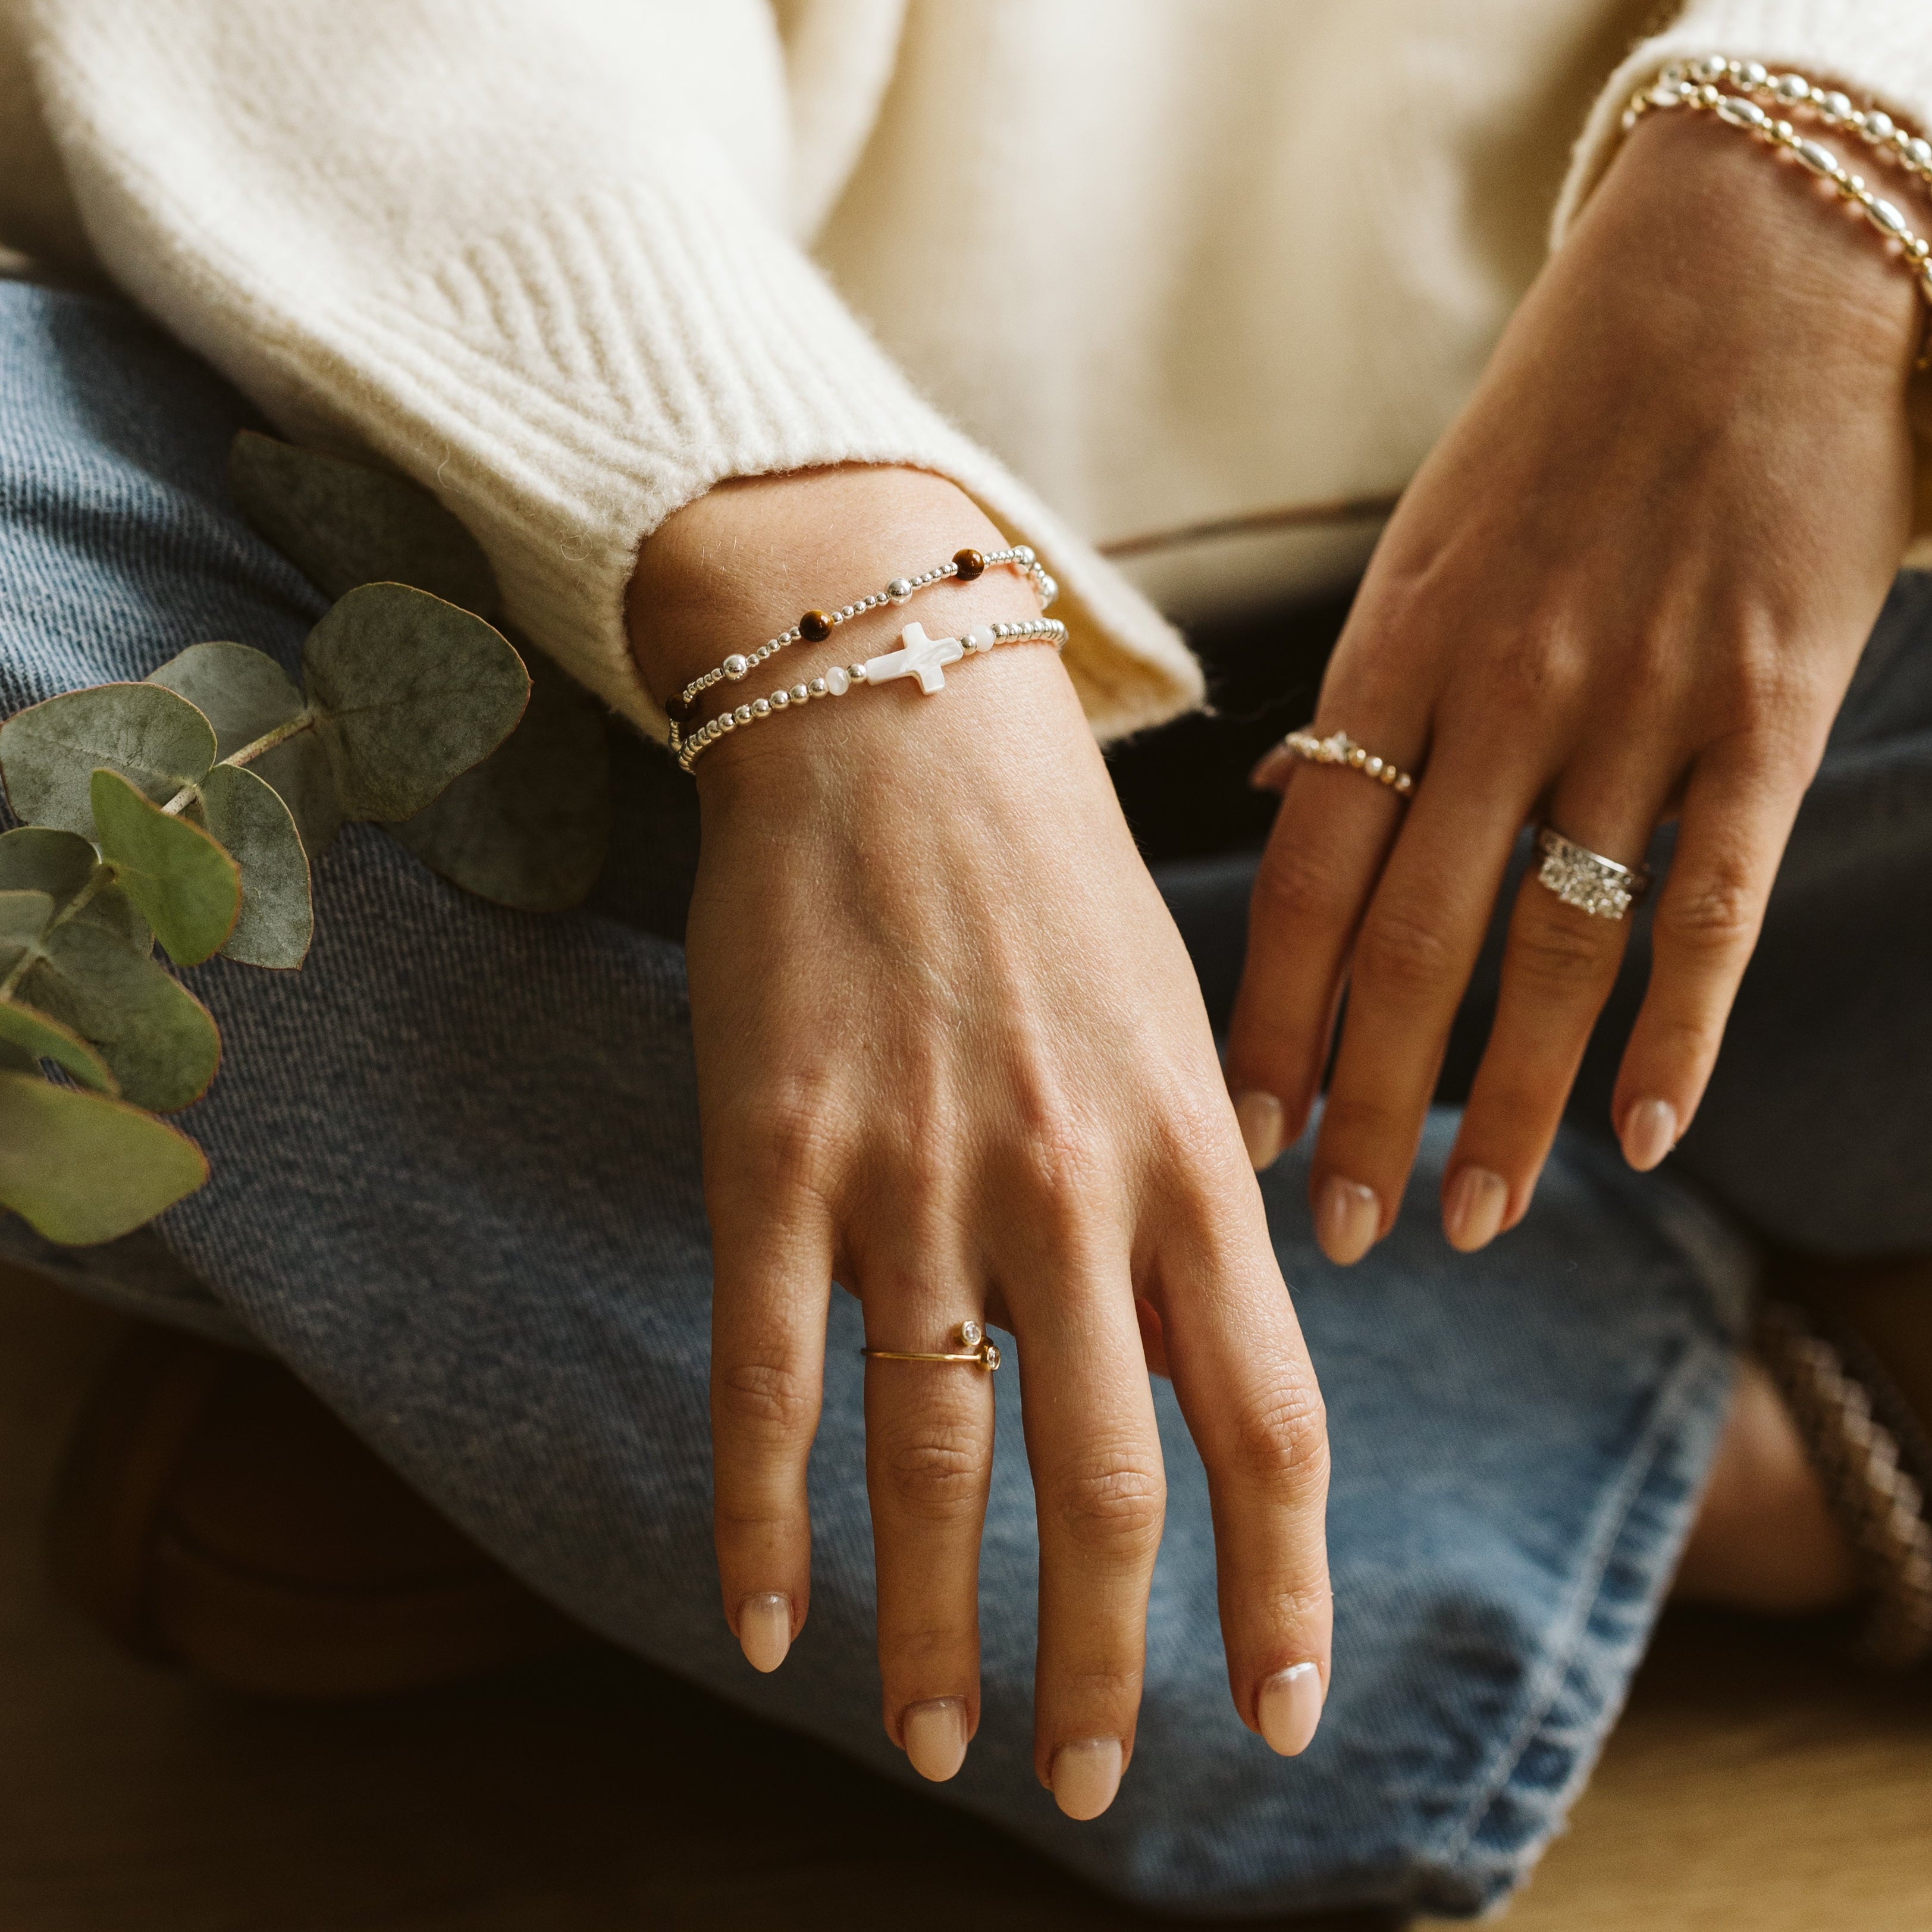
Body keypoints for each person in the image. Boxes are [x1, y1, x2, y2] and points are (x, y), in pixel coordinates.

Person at [1, 1, 1928, 1917]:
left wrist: (1830, 169)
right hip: (649, 703)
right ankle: (1710, 1450)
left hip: (1802, 654)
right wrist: (817, 580)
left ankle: (567, 1407)